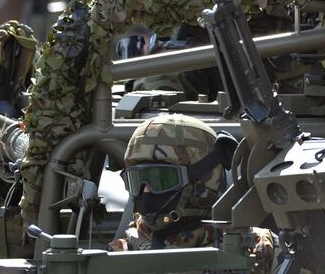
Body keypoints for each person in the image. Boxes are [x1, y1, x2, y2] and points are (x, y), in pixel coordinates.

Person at [114, 112, 282, 272]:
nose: (145, 191)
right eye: (137, 180)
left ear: (202, 181)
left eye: (160, 179)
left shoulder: (260, 249)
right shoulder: (118, 257)